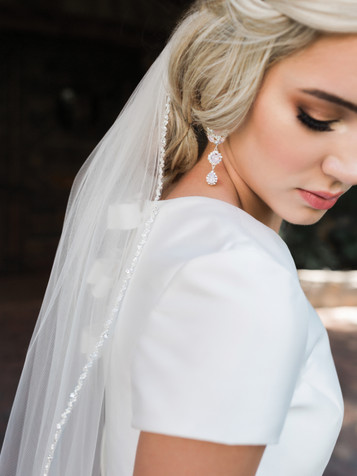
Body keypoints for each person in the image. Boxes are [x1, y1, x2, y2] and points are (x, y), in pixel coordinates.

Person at [1, 0, 357, 475]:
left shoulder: (164, 221)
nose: (349, 168)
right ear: (231, 83)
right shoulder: (237, 274)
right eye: (315, 117)